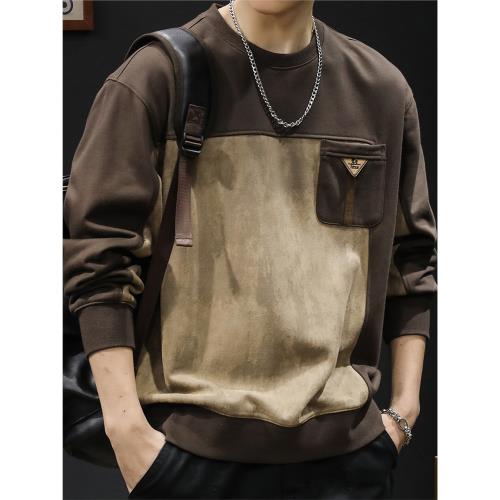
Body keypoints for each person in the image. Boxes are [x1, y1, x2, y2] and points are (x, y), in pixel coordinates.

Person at [63, 1, 437, 498]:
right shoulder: (155, 77)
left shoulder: (381, 90)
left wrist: (404, 410)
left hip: (348, 458)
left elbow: (410, 258)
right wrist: (126, 429)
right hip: (190, 455)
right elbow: (100, 255)